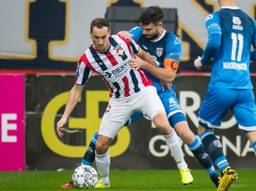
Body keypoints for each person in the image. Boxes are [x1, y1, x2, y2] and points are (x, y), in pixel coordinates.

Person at [62, 6, 226, 190]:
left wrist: (146, 66)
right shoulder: (132, 35)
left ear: (159, 25)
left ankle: (211, 175)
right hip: (123, 98)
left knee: (183, 131)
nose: (144, 32)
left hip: (157, 91)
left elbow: (169, 76)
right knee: (100, 140)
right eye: (142, 28)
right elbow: (122, 40)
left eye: (148, 29)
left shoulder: (173, 42)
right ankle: (83, 177)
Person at [57, 17, 186, 189]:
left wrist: (160, 74)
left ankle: (183, 168)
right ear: (91, 36)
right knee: (101, 144)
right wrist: (64, 116)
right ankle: (105, 181)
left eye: (104, 37)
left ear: (109, 33)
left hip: (143, 90)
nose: (101, 41)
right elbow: (76, 89)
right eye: (97, 37)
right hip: (119, 100)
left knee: (163, 124)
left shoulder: (123, 40)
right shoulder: (86, 60)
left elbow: (143, 55)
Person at [194, 0, 256, 190]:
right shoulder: (250, 21)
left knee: (203, 130)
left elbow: (214, 41)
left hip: (222, 84)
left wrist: (202, 61)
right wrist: (246, 56)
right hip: (244, 86)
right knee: (253, 134)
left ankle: (225, 169)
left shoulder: (215, 17)